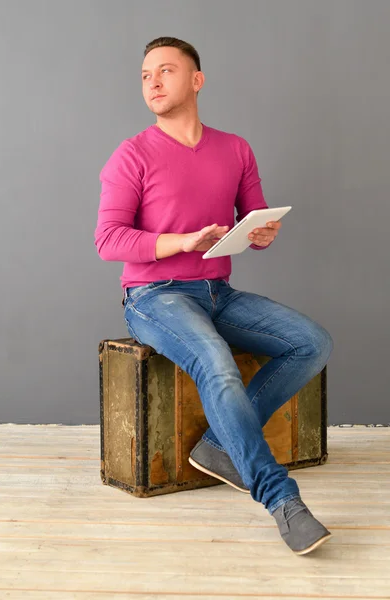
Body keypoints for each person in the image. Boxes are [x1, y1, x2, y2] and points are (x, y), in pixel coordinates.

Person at [95, 36, 334, 555]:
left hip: (216, 291)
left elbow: (255, 215)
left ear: (196, 81)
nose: (152, 83)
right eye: (144, 76)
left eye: (165, 71)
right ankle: (282, 500)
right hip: (153, 296)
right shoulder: (131, 154)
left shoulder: (235, 149)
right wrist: (181, 242)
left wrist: (261, 233)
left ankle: (220, 445)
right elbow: (108, 240)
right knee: (216, 361)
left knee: (311, 342)